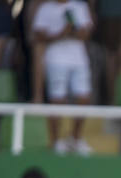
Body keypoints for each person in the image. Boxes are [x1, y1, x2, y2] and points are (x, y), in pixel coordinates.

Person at [31, 0, 94, 154]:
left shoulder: (80, 7)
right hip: (56, 60)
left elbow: (86, 33)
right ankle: (56, 141)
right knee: (57, 100)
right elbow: (38, 34)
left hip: (79, 60)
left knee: (84, 98)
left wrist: (72, 31)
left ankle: (75, 138)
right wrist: (61, 33)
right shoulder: (45, 8)